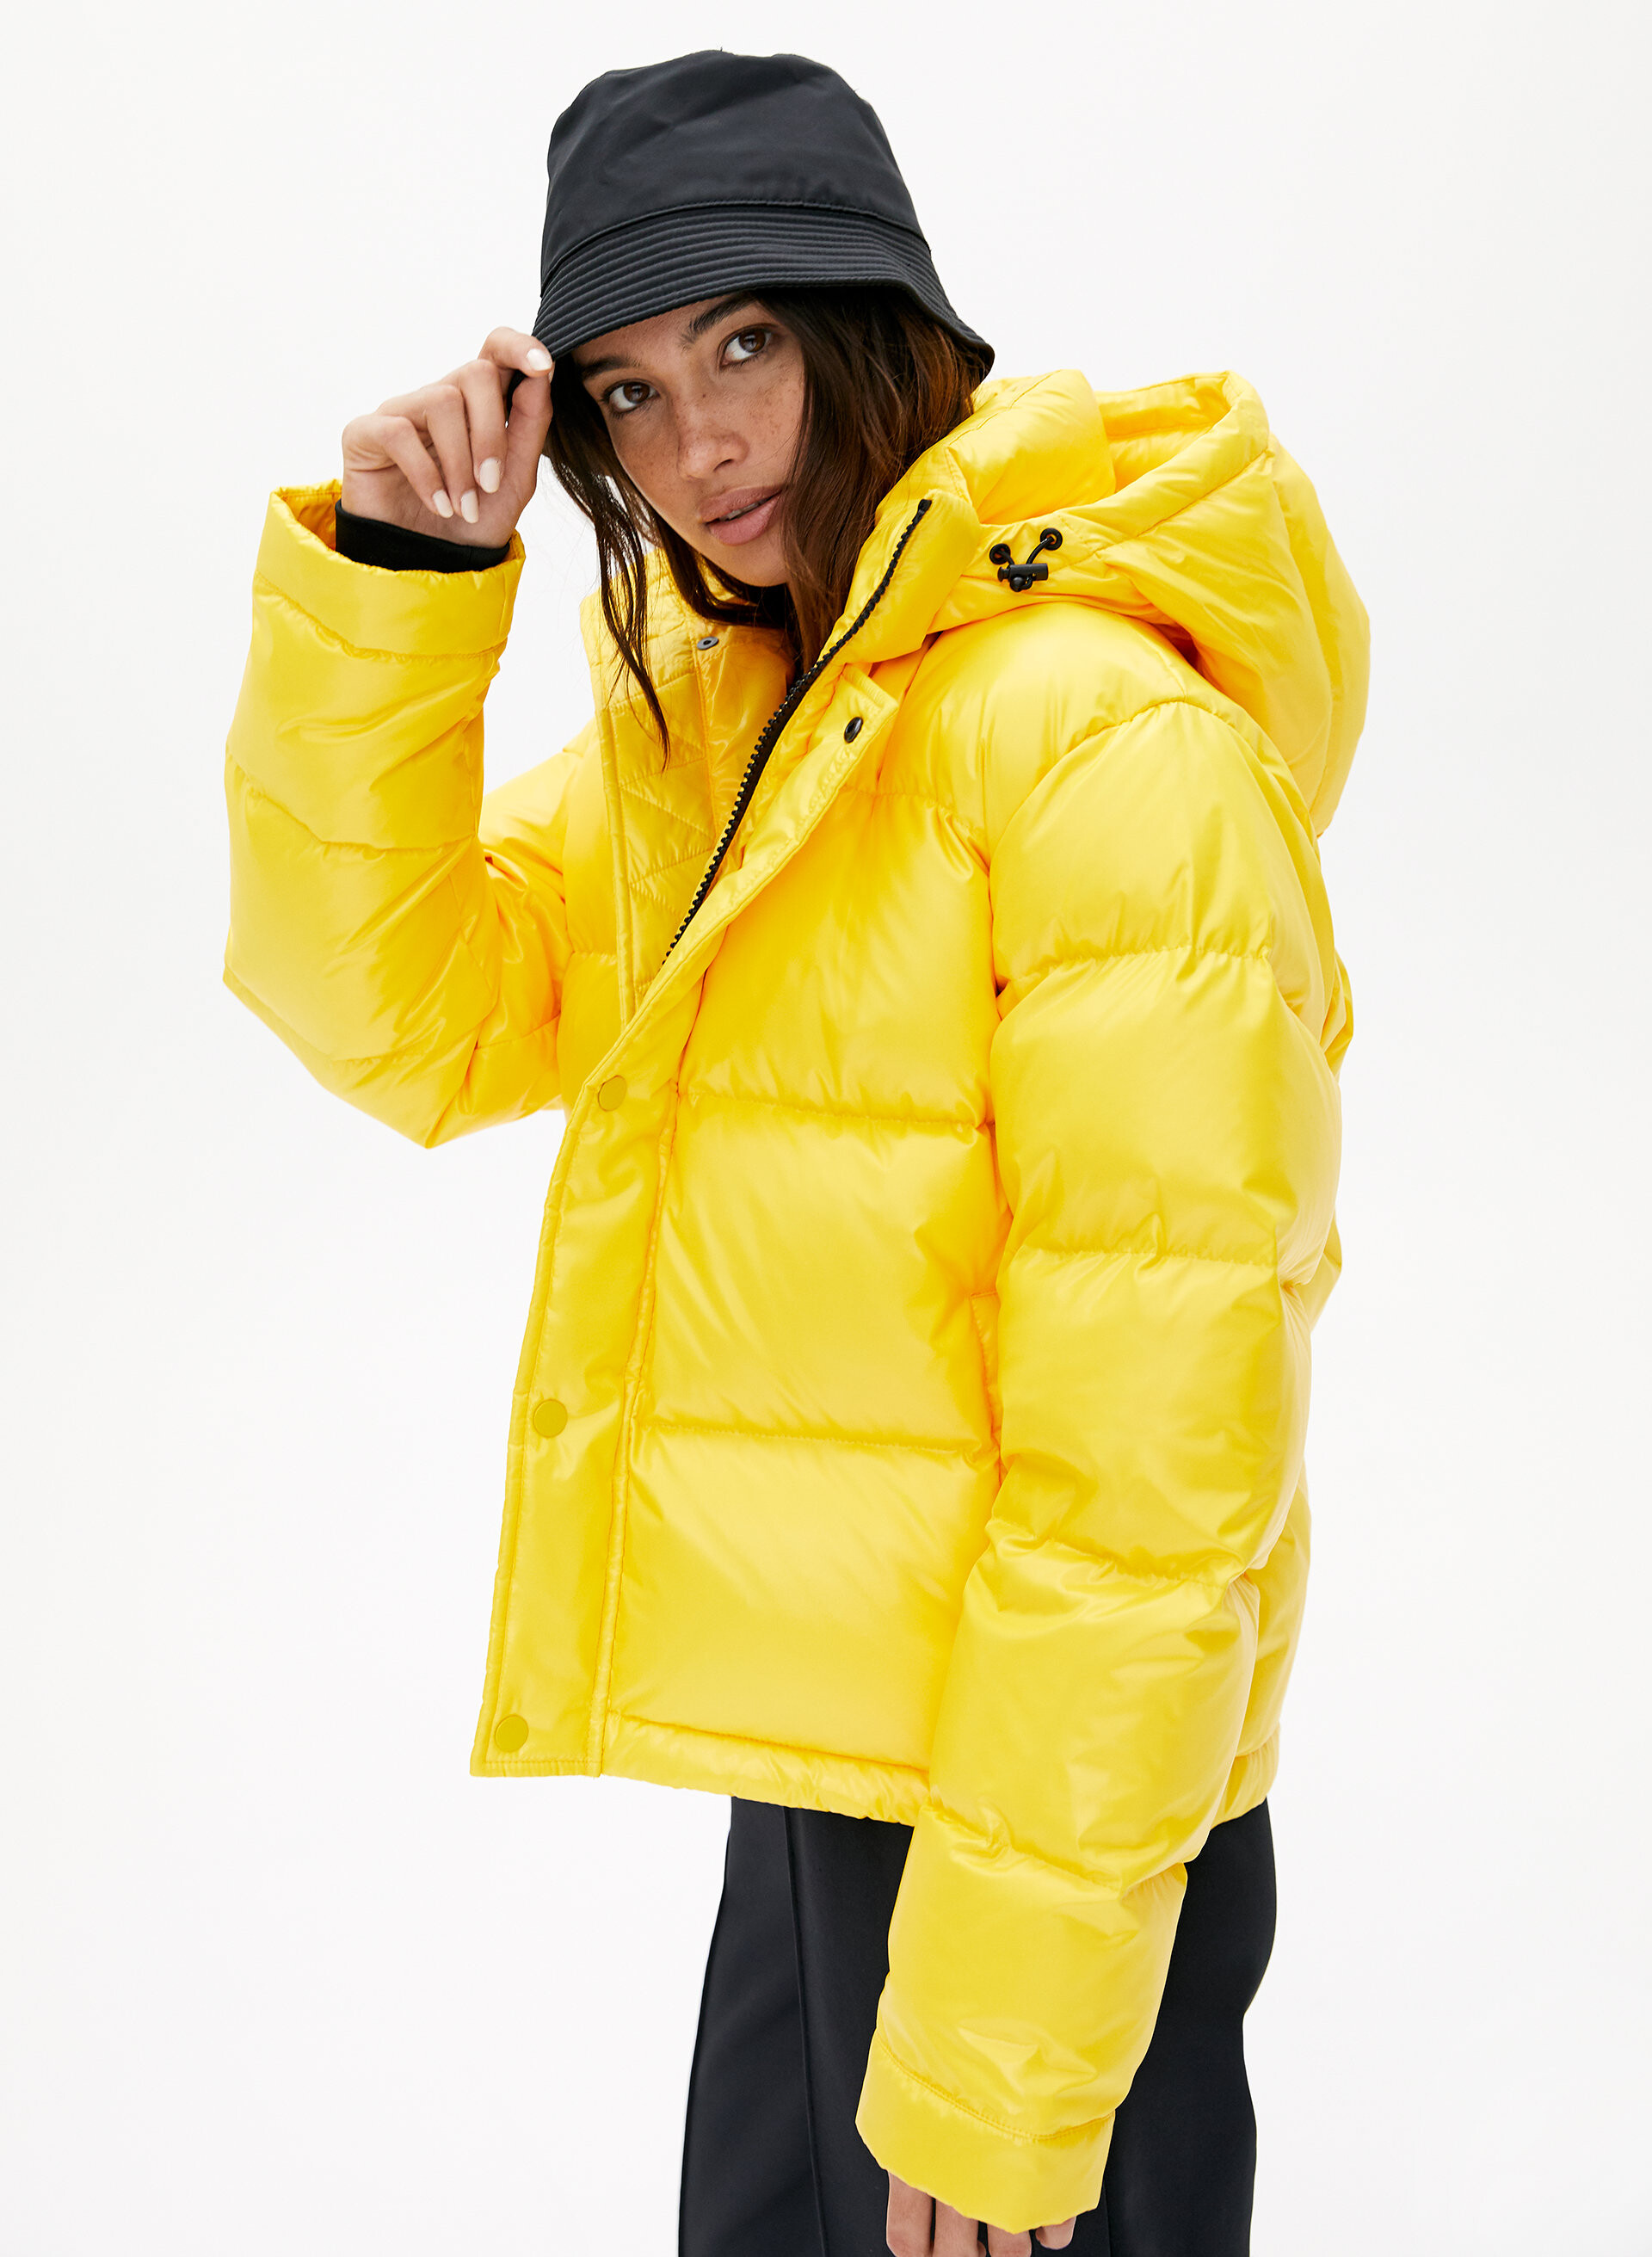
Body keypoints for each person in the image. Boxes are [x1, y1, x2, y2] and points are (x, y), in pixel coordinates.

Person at [223, 47, 1365, 2257]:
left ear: (882, 322)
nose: (702, 442)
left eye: (746, 341)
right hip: (835, 1762)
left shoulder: (1101, 741)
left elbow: (1161, 1475)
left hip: (1047, 1828)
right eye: (630, 393)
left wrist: (1003, 2045)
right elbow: (405, 1017)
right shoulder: (745, 720)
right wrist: (401, 583)